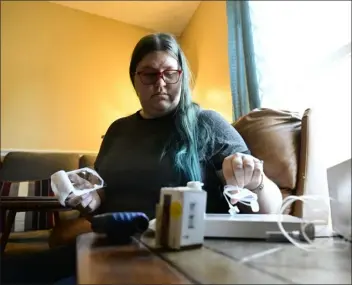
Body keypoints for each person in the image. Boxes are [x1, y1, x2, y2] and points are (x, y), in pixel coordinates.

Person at [0, 33, 283, 284]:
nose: (160, 83)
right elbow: (101, 196)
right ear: (135, 80)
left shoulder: (208, 124)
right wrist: (89, 200)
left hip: (179, 255)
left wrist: (256, 183)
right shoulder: (117, 130)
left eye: (169, 73)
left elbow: (270, 210)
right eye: (149, 74)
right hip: (107, 246)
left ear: (181, 76)